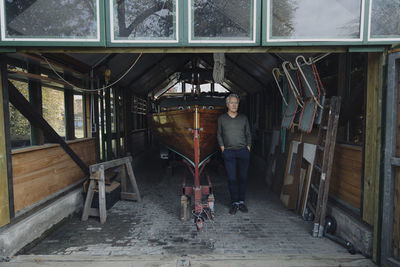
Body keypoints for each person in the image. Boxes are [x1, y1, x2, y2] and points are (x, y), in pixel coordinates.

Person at [217, 94, 251, 215]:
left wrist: (248, 147)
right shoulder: (222, 118)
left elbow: (248, 134)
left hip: (243, 151)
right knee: (232, 178)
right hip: (229, 152)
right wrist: (222, 148)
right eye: (232, 103)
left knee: (243, 177)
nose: (234, 105)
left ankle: (241, 202)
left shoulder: (243, 118)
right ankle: (234, 202)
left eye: (236, 103)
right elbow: (219, 134)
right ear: (227, 105)